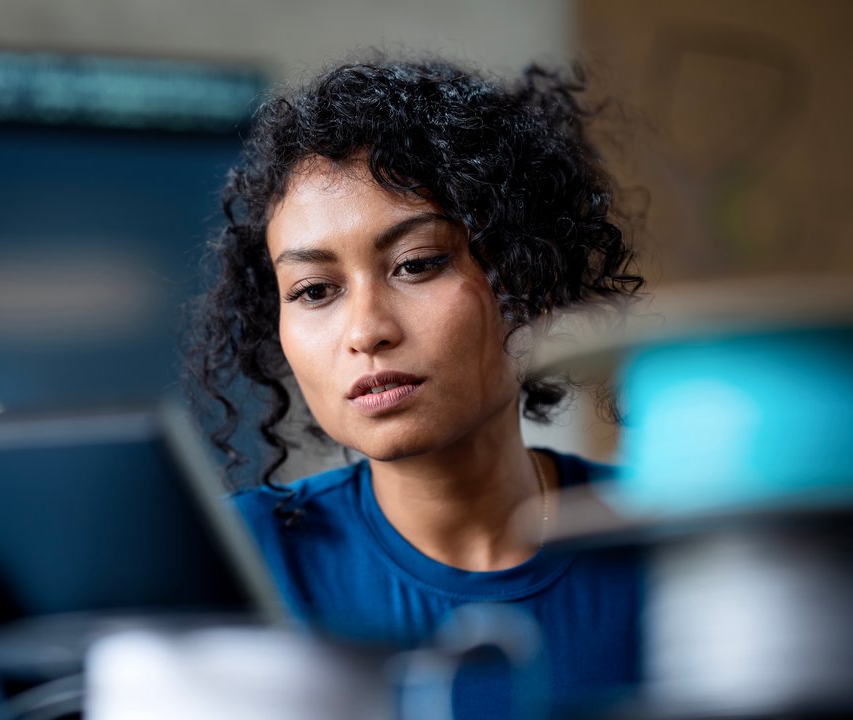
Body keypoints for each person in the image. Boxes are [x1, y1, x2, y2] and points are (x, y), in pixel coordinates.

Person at [188, 56, 645, 719]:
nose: (365, 330)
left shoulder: (669, 546)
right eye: (315, 291)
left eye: (417, 264)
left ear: (524, 280)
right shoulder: (235, 563)